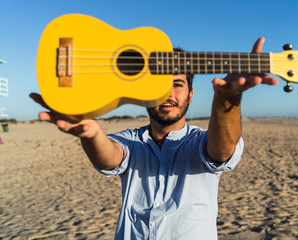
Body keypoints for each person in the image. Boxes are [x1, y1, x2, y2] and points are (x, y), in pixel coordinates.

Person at [30, 37, 278, 240]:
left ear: (190, 96)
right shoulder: (131, 140)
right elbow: (111, 157)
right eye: (157, 84)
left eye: (177, 84)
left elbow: (221, 151)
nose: (167, 93)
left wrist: (227, 100)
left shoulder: (201, 140)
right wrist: (92, 134)